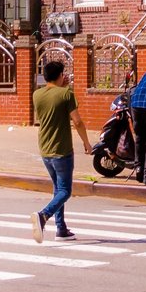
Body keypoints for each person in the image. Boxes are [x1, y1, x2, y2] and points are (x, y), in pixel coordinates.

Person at [32, 58, 93, 241]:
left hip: (45, 148)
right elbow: (77, 121)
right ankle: (43, 215)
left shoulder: (37, 94)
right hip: (61, 148)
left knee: (57, 188)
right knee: (65, 191)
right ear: (60, 75)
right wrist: (87, 143)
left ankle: (61, 228)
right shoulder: (66, 94)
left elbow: (51, 106)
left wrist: (63, 88)